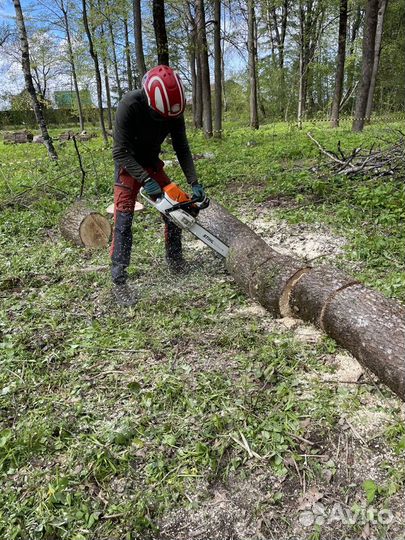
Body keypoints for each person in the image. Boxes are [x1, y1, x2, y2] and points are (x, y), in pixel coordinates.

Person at [110, 65, 206, 307]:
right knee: (123, 220)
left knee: (179, 209)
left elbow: (181, 148)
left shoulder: (174, 111)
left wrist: (193, 182)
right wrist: (144, 180)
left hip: (152, 164)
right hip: (128, 166)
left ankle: (175, 262)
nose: (165, 121)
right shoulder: (130, 104)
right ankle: (119, 281)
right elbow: (119, 151)